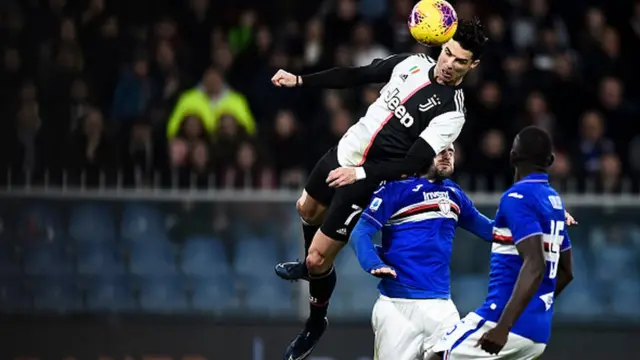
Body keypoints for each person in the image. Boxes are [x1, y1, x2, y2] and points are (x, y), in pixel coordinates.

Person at [271, 19, 489, 360]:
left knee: (317, 259)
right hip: (344, 152)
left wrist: (359, 174)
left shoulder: (452, 114)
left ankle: (315, 322)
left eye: (460, 61)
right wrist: (300, 80)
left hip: (368, 179)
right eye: (448, 53)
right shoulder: (412, 63)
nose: (449, 64)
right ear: (441, 47)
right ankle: (311, 269)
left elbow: (411, 163)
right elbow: (355, 74)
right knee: (305, 209)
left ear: (472, 65)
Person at [427, 126, 575, 360]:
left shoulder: (516, 198)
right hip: (538, 332)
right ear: (551, 160)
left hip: (502, 321)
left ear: (512, 156)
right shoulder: (554, 203)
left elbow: (535, 264)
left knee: (436, 356)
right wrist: (533, 307)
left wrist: (504, 327)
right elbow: (566, 272)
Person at [350, 144, 496, 360]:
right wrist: (373, 263)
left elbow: (491, 230)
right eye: (441, 150)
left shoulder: (454, 194)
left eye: (451, 151)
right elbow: (359, 233)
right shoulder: (395, 189)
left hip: (442, 308)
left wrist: (542, 225)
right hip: (397, 307)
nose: (447, 156)